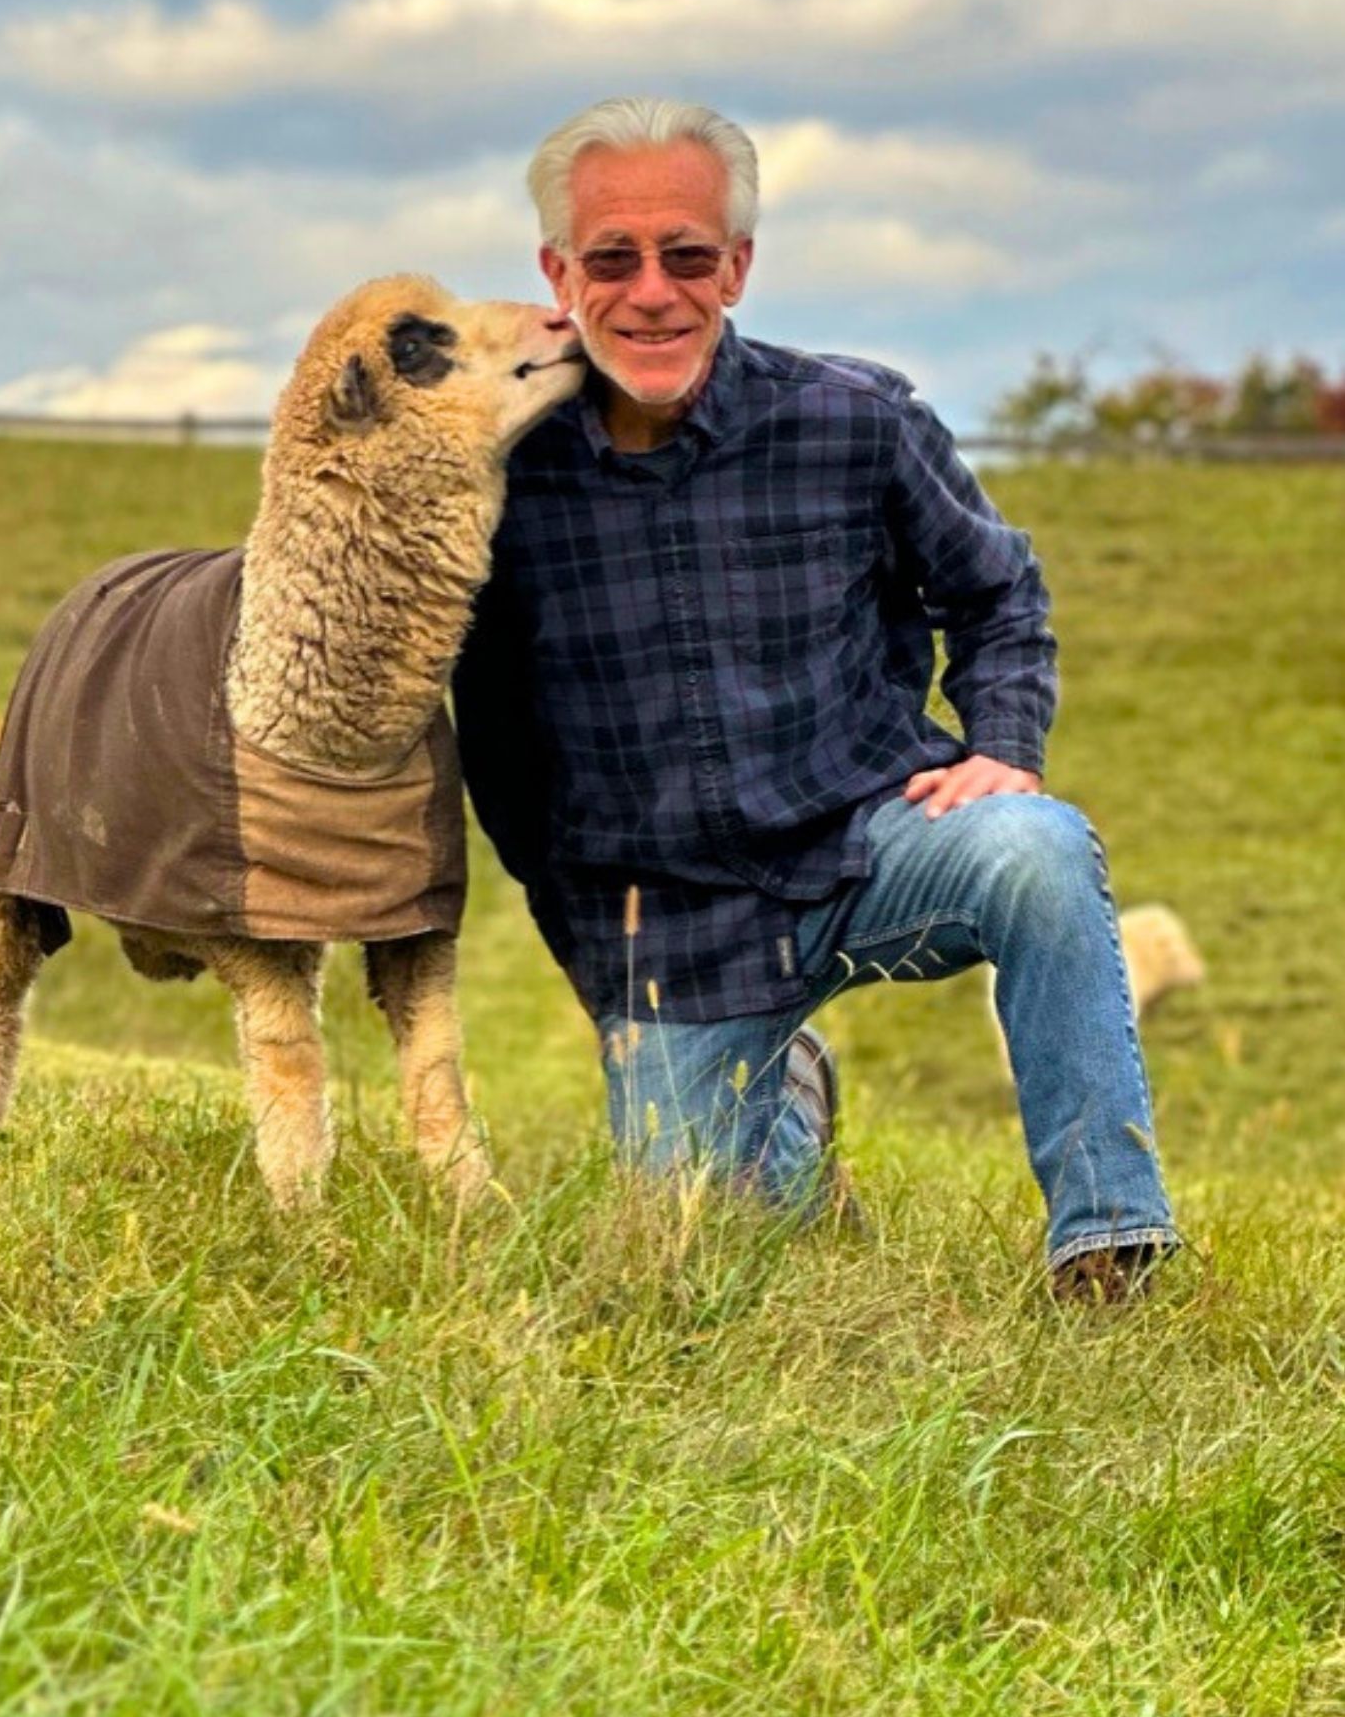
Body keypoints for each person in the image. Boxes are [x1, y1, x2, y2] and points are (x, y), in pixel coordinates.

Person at [453, 96, 1179, 1300]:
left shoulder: (855, 417)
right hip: (672, 927)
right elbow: (500, 750)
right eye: (610, 259)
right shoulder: (501, 479)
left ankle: (1107, 1238)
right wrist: (599, 959)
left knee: (1038, 851)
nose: (650, 292)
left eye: (686, 255)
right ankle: (790, 1101)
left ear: (735, 265)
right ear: (554, 272)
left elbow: (997, 592)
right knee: (691, 1259)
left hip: (870, 836)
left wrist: (1002, 746)